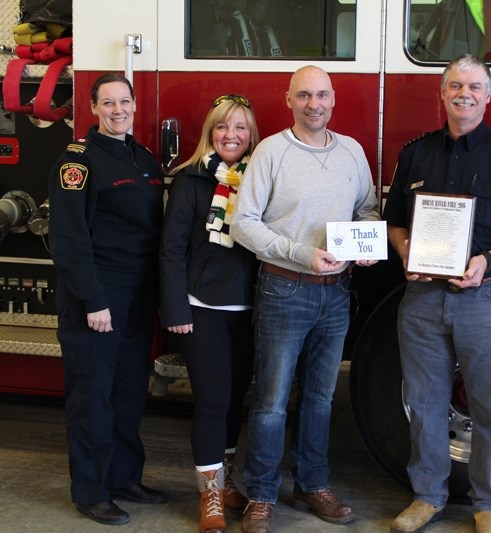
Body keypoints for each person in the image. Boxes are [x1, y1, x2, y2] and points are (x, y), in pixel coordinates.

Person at [383, 54, 491, 533]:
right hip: (421, 299)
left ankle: (486, 503)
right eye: (455, 85)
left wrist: (489, 260)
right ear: (442, 93)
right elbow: (395, 220)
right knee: (423, 403)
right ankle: (427, 497)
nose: (464, 93)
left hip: (486, 299)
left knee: (489, 407)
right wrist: (406, 251)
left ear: (488, 94)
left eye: (474, 86)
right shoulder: (415, 153)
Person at [230, 65, 381, 533]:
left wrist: (365, 246)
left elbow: (369, 209)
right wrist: (300, 254)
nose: (314, 104)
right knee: (272, 400)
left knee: (319, 398)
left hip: (336, 294)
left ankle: (312, 484)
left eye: (321, 95)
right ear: (288, 100)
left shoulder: (353, 152)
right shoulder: (271, 152)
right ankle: (261, 493)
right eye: (304, 96)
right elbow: (244, 223)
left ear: (333, 99)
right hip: (284, 287)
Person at [48, 73, 166, 526]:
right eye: (108, 103)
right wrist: (94, 301)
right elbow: (69, 240)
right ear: (93, 109)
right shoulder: (77, 163)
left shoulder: (144, 158)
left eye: (124, 102)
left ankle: (123, 479)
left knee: (128, 393)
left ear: (135, 105)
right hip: (96, 298)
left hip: (138, 297)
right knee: (92, 398)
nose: (118, 110)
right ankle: (91, 491)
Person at [159, 94, 260, 533]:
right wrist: (177, 307)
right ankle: (210, 495)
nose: (231, 136)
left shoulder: (261, 177)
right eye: (222, 127)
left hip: (252, 309)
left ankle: (228, 478)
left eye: (239, 128)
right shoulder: (190, 181)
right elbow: (171, 248)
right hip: (202, 309)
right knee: (213, 401)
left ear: (251, 134)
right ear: (210, 133)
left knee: (237, 401)